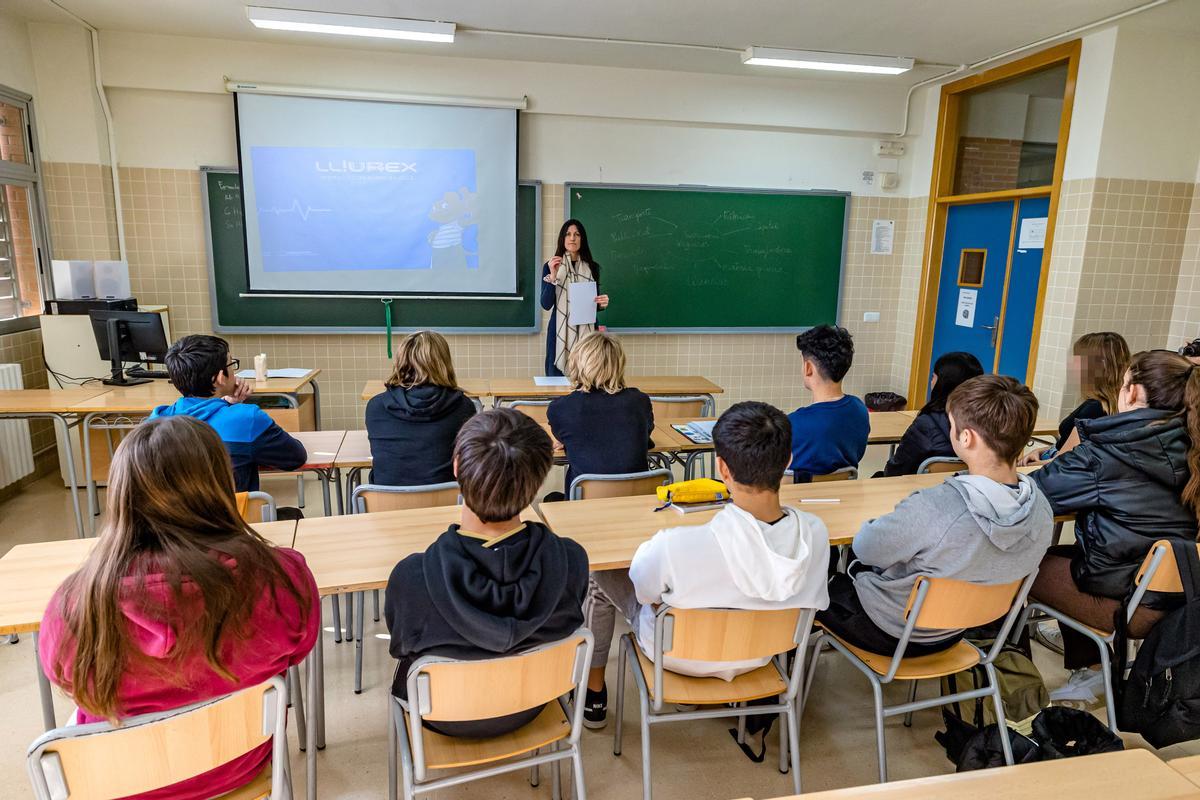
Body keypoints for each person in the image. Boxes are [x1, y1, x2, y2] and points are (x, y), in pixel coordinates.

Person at [39, 416, 318, 800]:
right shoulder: (282, 577)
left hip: (117, 783)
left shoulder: (74, 605)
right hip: (238, 769)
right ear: (221, 485)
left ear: (121, 496)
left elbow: (68, 678)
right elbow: (297, 649)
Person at [580, 401, 830, 729]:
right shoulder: (816, 534)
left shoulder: (677, 544)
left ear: (722, 468)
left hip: (673, 656)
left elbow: (642, 592)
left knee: (598, 570)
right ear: (788, 460)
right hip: (761, 655)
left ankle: (592, 693)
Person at [383, 408, 589, 738]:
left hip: (443, 716)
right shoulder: (572, 560)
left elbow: (402, 646)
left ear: (455, 468)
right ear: (539, 480)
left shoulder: (411, 577)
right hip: (532, 703)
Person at [819, 375, 1052, 657]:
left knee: (821, 583)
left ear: (966, 437)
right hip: (960, 629)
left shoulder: (938, 506)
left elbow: (865, 549)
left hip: (891, 630)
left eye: (951, 425)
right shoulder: (1041, 508)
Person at [1029, 349, 1200, 702]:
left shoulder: (1110, 451)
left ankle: (1012, 680)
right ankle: (1089, 669)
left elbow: (1037, 492)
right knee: (1073, 557)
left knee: (1020, 563)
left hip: (1132, 605)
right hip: (1184, 597)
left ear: (1133, 392)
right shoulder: (1193, 443)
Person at [150, 334, 306, 493]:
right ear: (219, 377)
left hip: (172, 516)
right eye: (231, 364)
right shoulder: (247, 419)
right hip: (231, 516)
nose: (234, 371)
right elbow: (295, 457)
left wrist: (227, 404)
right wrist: (233, 408)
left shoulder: (154, 422)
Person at [547, 332, 654, 497]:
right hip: (636, 502)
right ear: (619, 365)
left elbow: (563, 437)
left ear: (577, 363)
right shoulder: (640, 401)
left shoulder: (561, 408)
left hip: (584, 505)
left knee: (552, 498)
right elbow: (645, 436)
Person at [365, 330, 475, 487]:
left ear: (400, 361)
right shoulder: (464, 407)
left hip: (386, 505)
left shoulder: (376, 407)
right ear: (444, 363)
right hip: (446, 504)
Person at [1021, 332, 1130, 464]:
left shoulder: (1094, 409)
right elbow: (1069, 447)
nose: (1072, 365)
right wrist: (1040, 451)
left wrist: (1027, 466)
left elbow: (1063, 461)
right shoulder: (1115, 405)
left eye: (1077, 360)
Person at [879, 351, 983, 476]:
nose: (931, 381)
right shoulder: (987, 423)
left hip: (918, 491)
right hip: (966, 489)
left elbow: (897, 469)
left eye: (933, 376)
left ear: (943, 383)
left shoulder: (927, 423)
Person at [788, 325, 869, 481]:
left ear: (808, 368)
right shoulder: (859, 410)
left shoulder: (794, 423)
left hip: (798, 501)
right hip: (844, 497)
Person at [540, 219, 610, 376]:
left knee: (589, 379)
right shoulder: (550, 265)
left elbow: (592, 303)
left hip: (588, 333)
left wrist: (602, 302)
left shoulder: (592, 267)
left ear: (582, 239)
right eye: (568, 234)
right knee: (557, 384)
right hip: (559, 331)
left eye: (577, 234)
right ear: (562, 239)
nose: (572, 238)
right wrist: (553, 275)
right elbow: (545, 304)